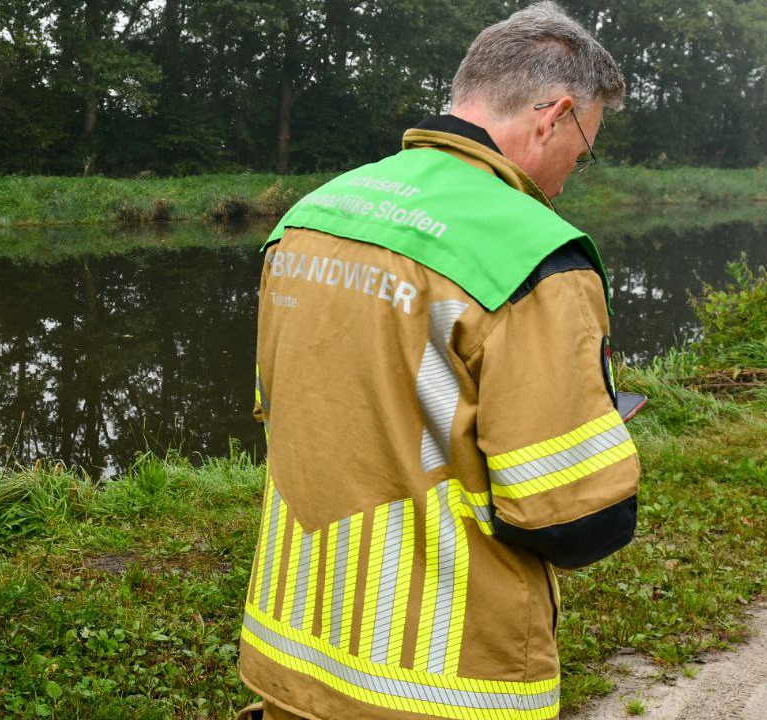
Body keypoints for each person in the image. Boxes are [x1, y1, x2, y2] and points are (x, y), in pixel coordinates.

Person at [235, 3, 641, 720]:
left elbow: (304, 413)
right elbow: (574, 520)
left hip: (293, 659)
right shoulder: (531, 253)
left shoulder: (309, 216)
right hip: (445, 683)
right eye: (583, 152)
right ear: (555, 115)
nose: (569, 178)